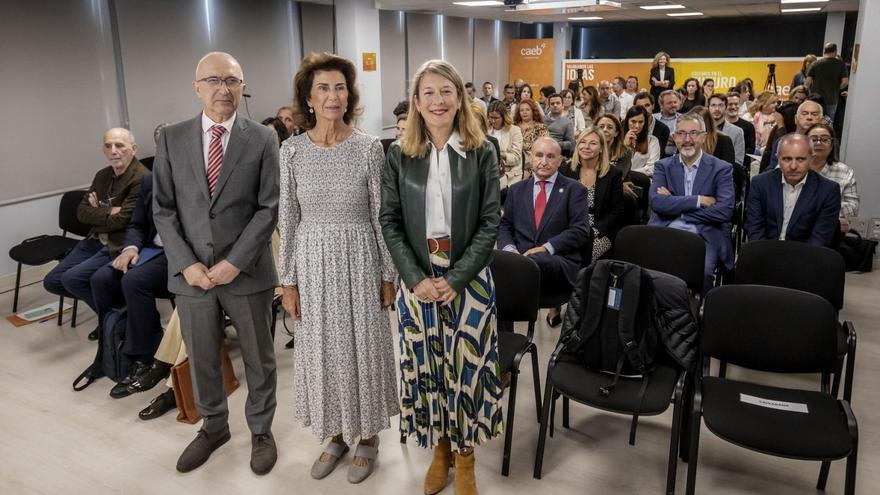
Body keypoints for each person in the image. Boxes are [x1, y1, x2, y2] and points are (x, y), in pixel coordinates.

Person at [380, 59, 503, 495]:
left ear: (460, 99)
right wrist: (415, 278)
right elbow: (389, 221)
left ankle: (466, 457)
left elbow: (491, 222)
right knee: (427, 370)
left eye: (446, 91)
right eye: (428, 93)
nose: (437, 100)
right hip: (418, 283)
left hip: (468, 281)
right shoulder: (398, 154)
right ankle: (441, 447)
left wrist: (457, 278)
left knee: (465, 371)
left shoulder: (482, 150)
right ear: (416, 102)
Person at [152, 51, 279, 475]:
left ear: (242, 87)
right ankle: (213, 426)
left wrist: (234, 262)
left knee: (260, 358)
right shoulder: (171, 137)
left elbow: (268, 208)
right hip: (192, 277)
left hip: (246, 272)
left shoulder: (262, 138)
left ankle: (261, 429)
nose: (223, 89)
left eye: (231, 81)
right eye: (213, 80)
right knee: (203, 356)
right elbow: (164, 210)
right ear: (196, 87)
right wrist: (186, 263)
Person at [277, 53, 397, 484]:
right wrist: (287, 281)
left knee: (362, 348)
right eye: (323, 88)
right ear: (308, 98)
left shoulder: (368, 148)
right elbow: (288, 219)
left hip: (361, 258)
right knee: (322, 351)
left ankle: (366, 436)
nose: (333, 96)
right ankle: (335, 433)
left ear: (350, 96)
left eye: (340, 88)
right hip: (312, 262)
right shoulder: (291, 151)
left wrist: (388, 274)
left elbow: (382, 216)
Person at [43, 128, 146, 342]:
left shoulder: (142, 177)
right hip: (94, 239)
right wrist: (109, 211)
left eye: (120, 146)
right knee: (52, 281)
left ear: (133, 149)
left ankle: (112, 321)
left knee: (72, 279)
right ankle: (113, 313)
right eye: (108, 146)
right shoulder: (102, 175)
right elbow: (82, 212)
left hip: (118, 243)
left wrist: (98, 210)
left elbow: (124, 220)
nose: (113, 151)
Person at [89, 172, 171, 398]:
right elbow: (136, 224)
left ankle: (144, 357)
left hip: (181, 253)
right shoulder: (150, 180)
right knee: (101, 280)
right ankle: (115, 349)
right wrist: (131, 248)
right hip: (151, 249)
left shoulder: (197, 175)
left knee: (134, 281)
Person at [498, 136, 589, 327]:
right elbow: (505, 225)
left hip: (557, 262)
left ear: (560, 161)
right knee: (496, 265)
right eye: (539, 155)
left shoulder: (575, 190)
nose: (544, 162)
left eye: (550, 156)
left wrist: (546, 248)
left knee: (526, 264)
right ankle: (505, 338)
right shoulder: (516, 190)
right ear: (530, 157)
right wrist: (510, 251)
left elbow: (580, 230)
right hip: (520, 259)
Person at [649, 113, 734, 292]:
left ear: (704, 137)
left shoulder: (721, 168)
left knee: (703, 273)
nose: (687, 139)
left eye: (694, 133)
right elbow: (657, 203)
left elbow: (724, 211)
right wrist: (699, 200)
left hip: (704, 234)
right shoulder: (663, 166)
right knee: (653, 272)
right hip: (667, 229)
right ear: (674, 137)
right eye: (681, 134)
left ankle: (701, 315)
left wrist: (674, 203)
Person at [746, 134, 840, 245]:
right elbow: (755, 229)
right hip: (764, 253)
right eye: (787, 159)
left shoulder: (828, 190)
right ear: (778, 158)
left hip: (805, 257)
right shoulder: (760, 183)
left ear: (811, 158)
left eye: (801, 159)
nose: (793, 166)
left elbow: (820, 238)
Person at [562, 127, 625, 264]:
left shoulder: (613, 174)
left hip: (599, 230)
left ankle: (579, 284)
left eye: (593, 143)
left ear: (602, 148)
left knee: (579, 255)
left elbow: (617, 212)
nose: (586, 147)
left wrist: (594, 231)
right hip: (570, 226)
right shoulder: (566, 169)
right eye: (583, 142)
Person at [806, 123, 859, 232]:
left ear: (832, 145)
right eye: (813, 139)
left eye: (825, 139)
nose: (818, 142)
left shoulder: (844, 171)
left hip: (826, 230)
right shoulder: (791, 166)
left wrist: (813, 209)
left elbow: (852, 207)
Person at [766, 100, 824, 170]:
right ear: (796, 119)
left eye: (814, 114)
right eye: (804, 114)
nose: (809, 117)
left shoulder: (824, 144)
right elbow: (773, 170)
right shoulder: (783, 141)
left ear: (821, 120)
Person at [806, 43, 849, 121]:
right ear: (835, 51)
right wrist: (836, 88)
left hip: (816, 98)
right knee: (828, 122)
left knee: (814, 120)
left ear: (824, 51)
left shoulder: (815, 64)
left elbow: (807, 83)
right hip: (832, 99)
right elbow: (845, 82)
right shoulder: (841, 64)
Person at [488, 100, 524, 194]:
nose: (493, 120)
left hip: (510, 174)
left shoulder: (514, 130)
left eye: (496, 118)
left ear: (504, 117)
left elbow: (516, 158)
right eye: (491, 117)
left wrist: (498, 153)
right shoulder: (485, 129)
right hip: (489, 171)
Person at [515, 98, 550, 177]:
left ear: (533, 111)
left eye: (527, 110)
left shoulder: (541, 127)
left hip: (534, 163)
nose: (524, 112)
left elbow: (544, 147)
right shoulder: (514, 127)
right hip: (516, 162)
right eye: (522, 110)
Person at [708, 94, 745, 167]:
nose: (717, 109)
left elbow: (738, 162)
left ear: (726, 107)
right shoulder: (702, 129)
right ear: (708, 108)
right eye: (713, 105)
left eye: (721, 105)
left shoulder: (737, 132)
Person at [624, 105, 661, 178]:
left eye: (641, 122)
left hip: (641, 182)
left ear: (645, 123)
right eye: (633, 121)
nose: (637, 126)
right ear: (627, 121)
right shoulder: (618, 139)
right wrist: (625, 146)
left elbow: (652, 169)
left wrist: (628, 173)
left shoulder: (653, 141)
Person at [633, 91, 671, 160]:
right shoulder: (626, 124)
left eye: (647, 105)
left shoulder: (663, 129)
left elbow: (659, 155)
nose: (644, 109)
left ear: (653, 106)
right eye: (640, 106)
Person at [725, 91, 757, 156]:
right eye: (730, 104)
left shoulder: (749, 126)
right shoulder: (719, 126)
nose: (733, 107)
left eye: (736, 104)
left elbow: (751, 149)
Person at [654, 90, 681, 157]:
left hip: (677, 157)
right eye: (669, 103)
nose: (673, 105)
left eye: (675, 102)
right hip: (656, 157)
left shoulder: (684, 119)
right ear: (661, 105)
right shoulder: (654, 119)